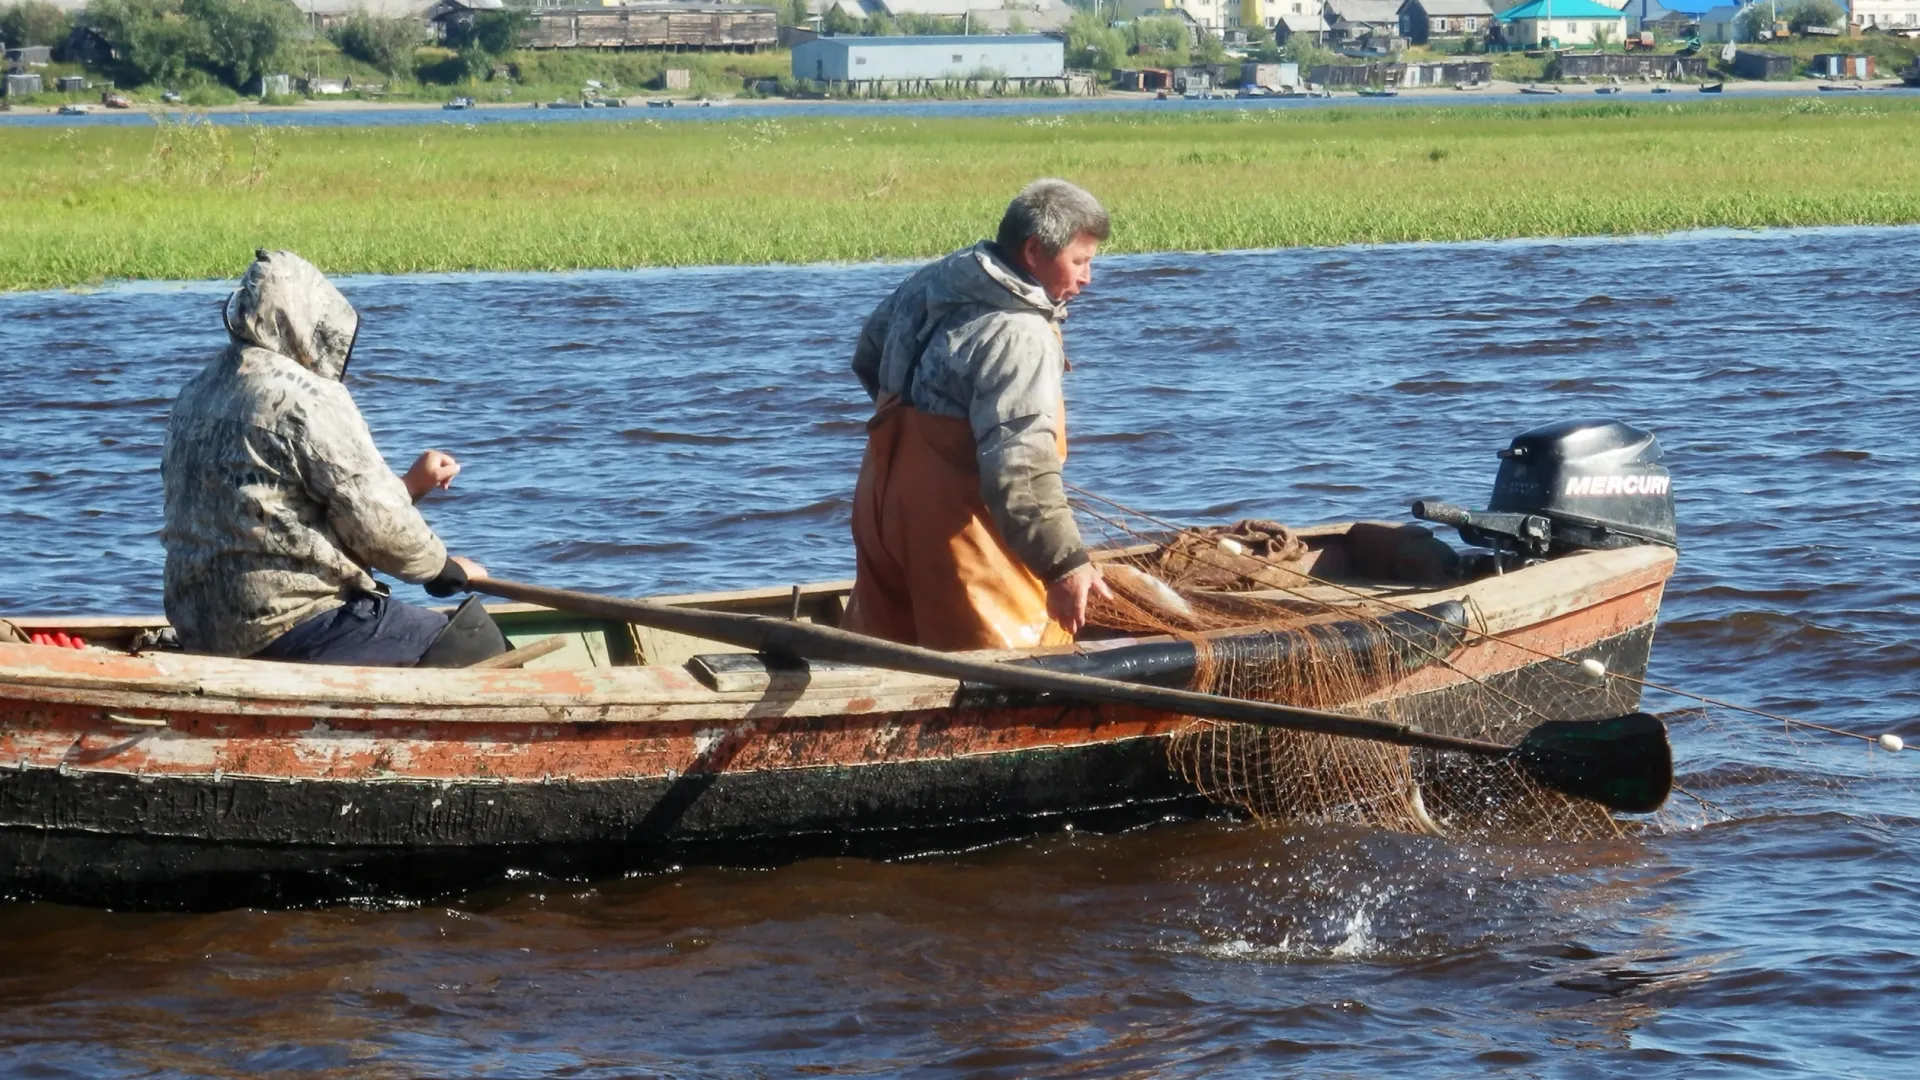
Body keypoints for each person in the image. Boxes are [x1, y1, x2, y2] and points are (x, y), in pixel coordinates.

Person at [160, 249, 502, 667]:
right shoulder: (306, 398)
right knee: (477, 645)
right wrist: (440, 567)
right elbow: (377, 525)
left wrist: (411, 486)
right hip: (292, 624)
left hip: (203, 624)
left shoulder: (195, 393)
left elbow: (281, 508)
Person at [842, 178, 1114, 651]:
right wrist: (1064, 565)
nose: (1087, 278)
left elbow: (868, 355)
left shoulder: (930, 281)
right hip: (956, 533)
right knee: (1012, 659)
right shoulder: (1021, 334)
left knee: (884, 651)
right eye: (1080, 261)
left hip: (879, 506)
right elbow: (1021, 467)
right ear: (1033, 252)